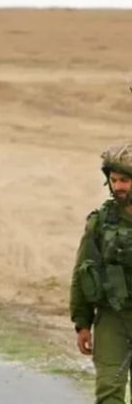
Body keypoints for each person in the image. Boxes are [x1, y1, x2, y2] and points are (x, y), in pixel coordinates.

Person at [70, 142, 132, 404]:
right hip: (112, 318)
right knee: (109, 389)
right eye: (114, 180)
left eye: (125, 180)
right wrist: (82, 323)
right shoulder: (101, 221)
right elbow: (83, 272)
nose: (118, 187)